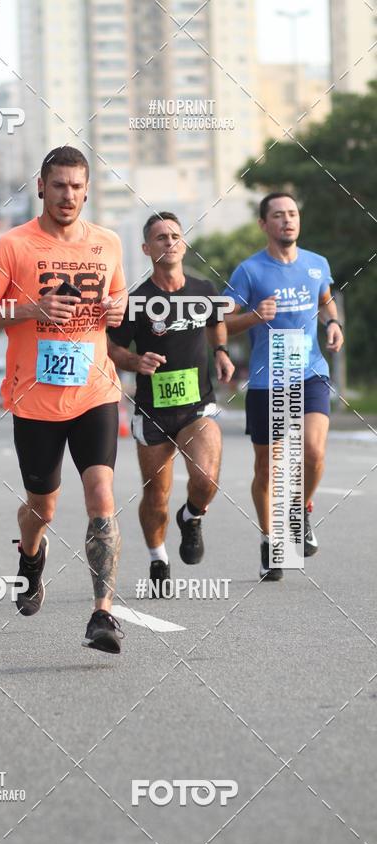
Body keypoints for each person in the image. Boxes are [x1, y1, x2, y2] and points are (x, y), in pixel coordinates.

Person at [0, 146, 128, 653]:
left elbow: (116, 305)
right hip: (35, 400)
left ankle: (102, 614)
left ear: (87, 190)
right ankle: (31, 556)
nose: (69, 196)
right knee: (43, 506)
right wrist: (30, 307)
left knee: (101, 495)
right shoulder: (13, 246)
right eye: (59, 185)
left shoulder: (108, 244)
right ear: (41, 186)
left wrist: (117, 310)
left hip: (95, 390)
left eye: (78, 187)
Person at [107, 212, 234, 592]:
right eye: (160, 237)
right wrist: (135, 362)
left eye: (175, 235)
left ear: (184, 243)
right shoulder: (138, 300)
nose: (169, 241)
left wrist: (223, 352)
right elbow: (111, 346)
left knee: (206, 477)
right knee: (156, 496)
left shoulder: (203, 289)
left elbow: (217, 321)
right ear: (147, 248)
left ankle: (192, 516)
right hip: (154, 410)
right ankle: (157, 556)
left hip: (198, 404)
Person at [223, 192, 344, 580]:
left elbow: (326, 299)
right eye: (278, 215)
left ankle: (299, 511)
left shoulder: (316, 263)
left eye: (292, 213)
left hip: (310, 372)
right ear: (264, 225)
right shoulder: (249, 271)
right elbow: (222, 322)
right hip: (266, 380)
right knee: (268, 467)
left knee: (313, 451)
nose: (287, 220)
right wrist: (255, 317)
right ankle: (270, 541)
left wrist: (332, 323)